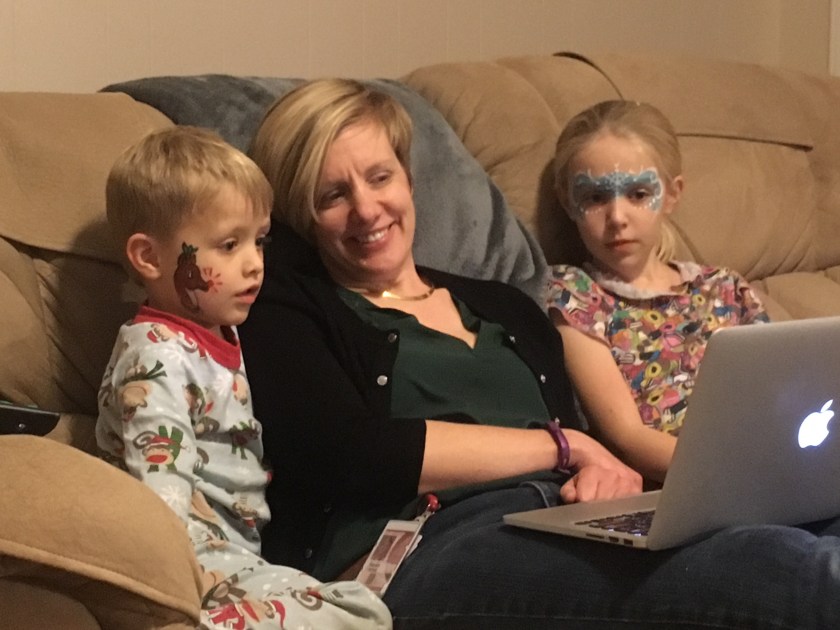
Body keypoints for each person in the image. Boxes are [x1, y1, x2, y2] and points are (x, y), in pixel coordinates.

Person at [240, 79, 840, 629]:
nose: (367, 209)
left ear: (408, 179)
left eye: (379, 177)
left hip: (564, 517)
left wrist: (603, 472)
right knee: (792, 575)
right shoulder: (285, 305)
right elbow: (354, 452)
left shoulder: (503, 304)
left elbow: (584, 438)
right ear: (301, 213)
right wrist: (566, 447)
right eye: (333, 194)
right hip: (431, 544)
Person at [96, 126, 391, 629]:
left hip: (238, 553)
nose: (255, 264)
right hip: (192, 557)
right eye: (229, 245)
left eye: (259, 241)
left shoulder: (220, 330)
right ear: (149, 257)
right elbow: (160, 493)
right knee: (362, 614)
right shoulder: (156, 355)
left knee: (361, 598)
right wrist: (171, 589)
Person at [547, 100, 770, 483]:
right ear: (569, 202)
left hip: (771, 458)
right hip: (696, 482)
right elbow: (627, 437)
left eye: (637, 193)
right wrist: (742, 475)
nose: (617, 218)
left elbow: (782, 389)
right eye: (595, 197)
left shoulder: (725, 288)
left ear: (671, 194)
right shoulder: (573, 294)